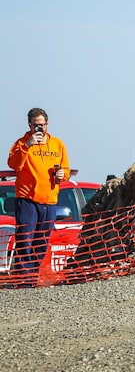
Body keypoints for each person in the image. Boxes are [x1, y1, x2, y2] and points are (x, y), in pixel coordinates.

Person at [7, 108, 70, 284]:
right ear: (30, 125)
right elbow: (13, 164)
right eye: (35, 125)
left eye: (41, 125)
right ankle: (23, 281)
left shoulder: (58, 144)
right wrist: (28, 145)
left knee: (41, 244)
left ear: (47, 125)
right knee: (25, 241)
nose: (39, 129)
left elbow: (65, 168)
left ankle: (32, 279)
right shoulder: (21, 143)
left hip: (50, 200)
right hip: (27, 199)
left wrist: (62, 175)